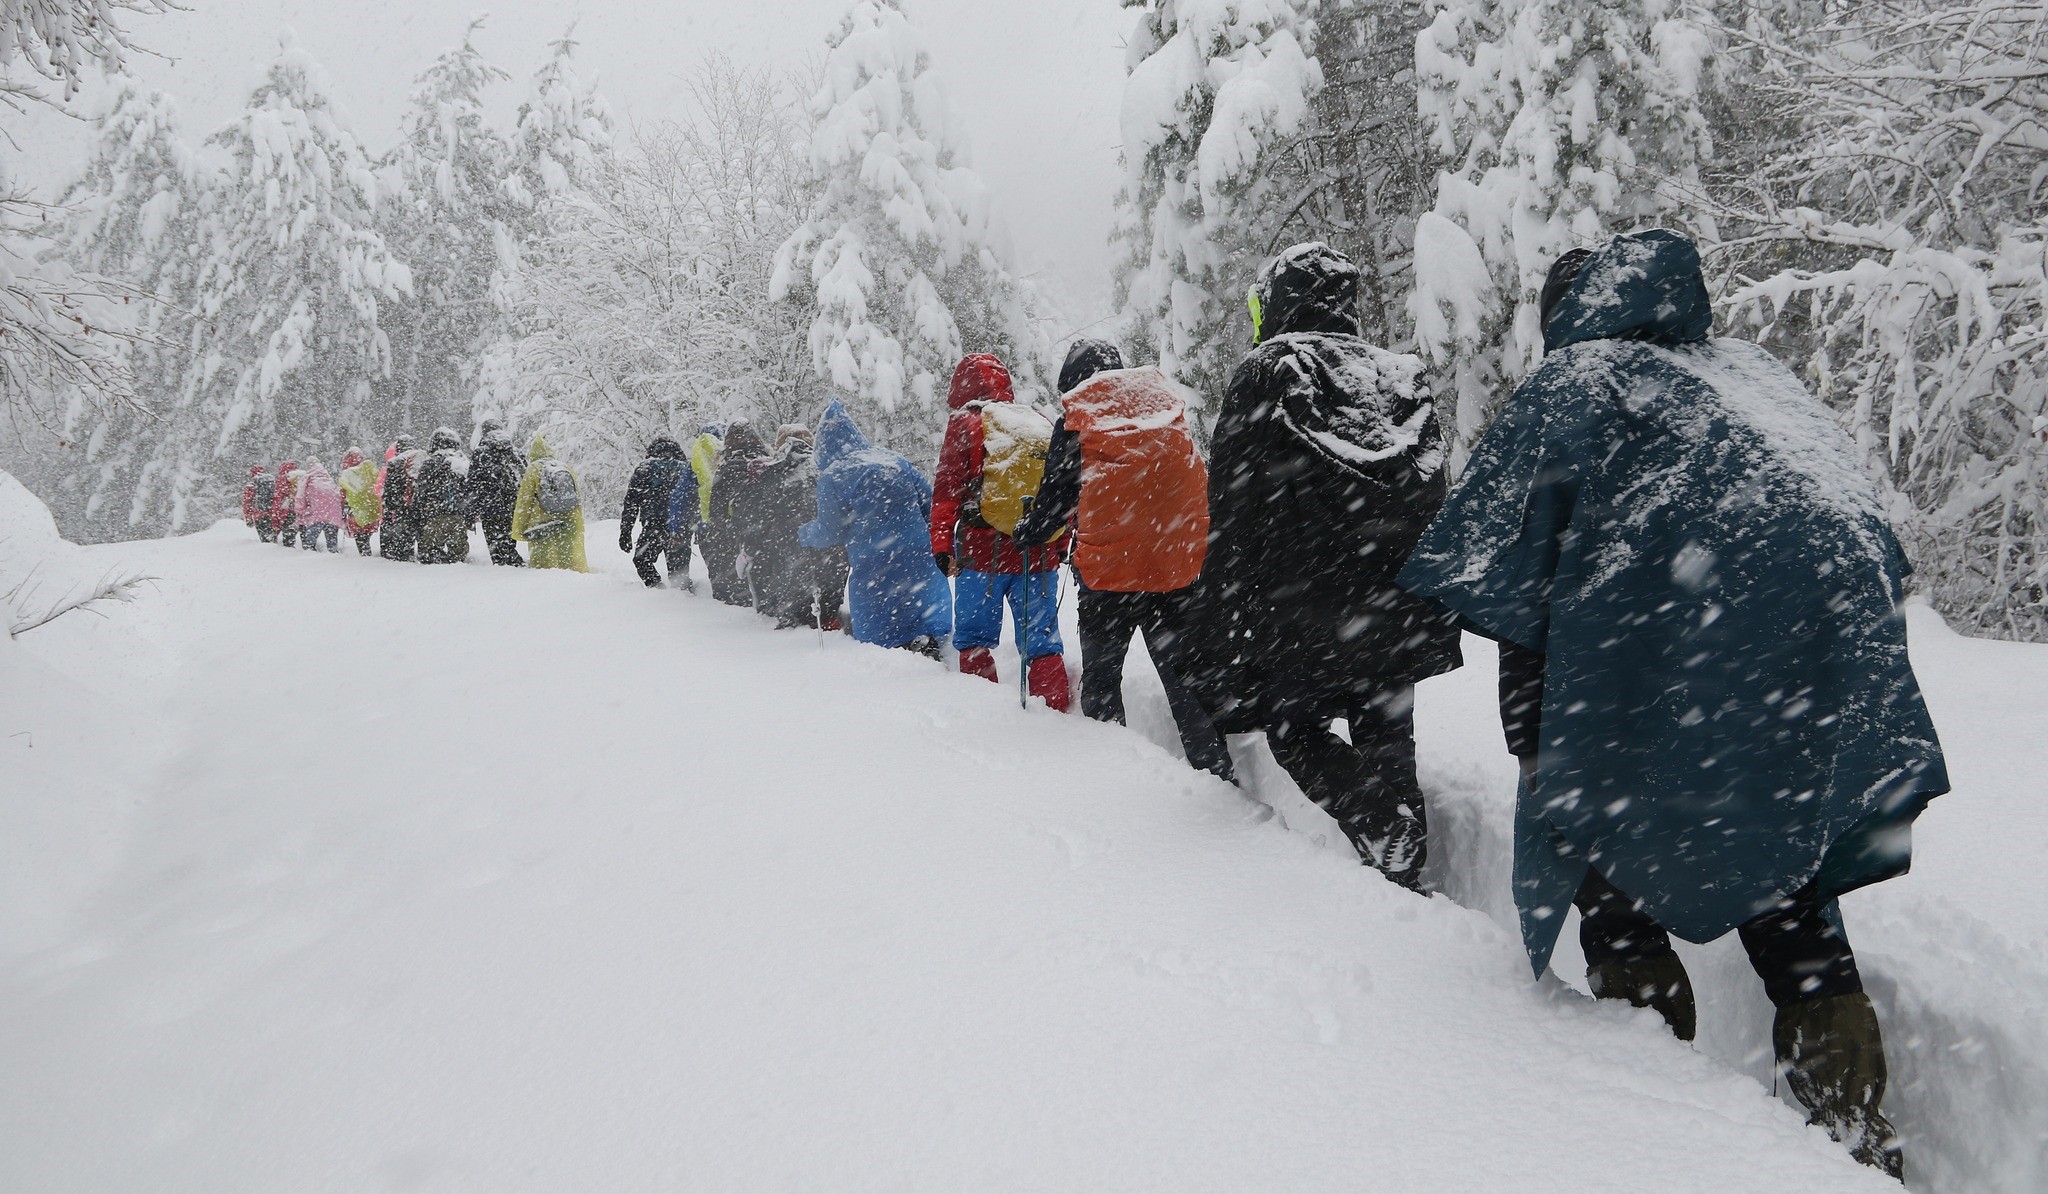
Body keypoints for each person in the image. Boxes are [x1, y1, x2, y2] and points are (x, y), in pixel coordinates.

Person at [1397, 230, 1949, 1179]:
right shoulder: (1756, 380)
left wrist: (1539, 749)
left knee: (1621, 898)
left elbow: (1523, 586)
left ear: (1565, 319)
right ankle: (1857, 1142)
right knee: (1797, 917)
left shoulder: (1575, 388)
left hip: (1642, 703)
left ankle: (1662, 1135)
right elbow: (1858, 535)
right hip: (1793, 697)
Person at [1185, 242, 1462, 892]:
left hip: (1301, 610)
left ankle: (1379, 825)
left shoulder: (1269, 371)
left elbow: (1233, 511)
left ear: (1280, 301)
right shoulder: (1402, 376)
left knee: (1293, 727)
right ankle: (1406, 875)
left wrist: (1220, 626)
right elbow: (1432, 497)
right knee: (1388, 738)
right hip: (1393, 607)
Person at [1015, 340, 1233, 781]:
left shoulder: (1077, 418)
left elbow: (1055, 506)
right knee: (1186, 684)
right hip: (1176, 571)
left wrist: (1028, 532)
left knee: (1102, 679)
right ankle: (1217, 773)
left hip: (1109, 578)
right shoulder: (1167, 409)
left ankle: (1115, 783)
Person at [930, 353, 1072, 710]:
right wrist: (1062, 541)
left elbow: (948, 489)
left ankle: (984, 715)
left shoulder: (964, 423)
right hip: (1036, 552)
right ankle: (1057, 713)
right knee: (1042, 641)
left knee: (975, 639)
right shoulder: (1035, 421)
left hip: (981, 556)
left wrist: (942, 544)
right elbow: (1062, 488)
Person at [800, 401, 952, 657]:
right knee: (921, 611)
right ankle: (927, 642)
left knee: (880, 632)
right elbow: (930, 504)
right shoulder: (894, 460)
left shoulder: (833, 475)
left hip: (874, 560)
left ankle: (892, 662)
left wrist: (804, 534)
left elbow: (830, 530)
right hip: (917, 552)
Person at [732, 425, 848, 630]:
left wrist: (749, 551)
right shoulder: (828, 469)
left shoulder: (775, 473)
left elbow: (760, 522)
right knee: (827, 605)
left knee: (799, 614)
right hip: (833, 558)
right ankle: (829, 623)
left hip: (791, 560)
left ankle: (803, 629)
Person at [705, 420, 771, 605]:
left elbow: (715, 510)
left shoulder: (727, 469)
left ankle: (740, 601)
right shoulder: (767, 463)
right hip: (767, 529)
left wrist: (731, 529)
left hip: (740, 531)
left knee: (740, 577)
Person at [680, 424, 746, 605]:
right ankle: (742, 598)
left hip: (706, 525)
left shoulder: (696, 462)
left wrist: (678, 525)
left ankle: (722, 601)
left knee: (716, 567)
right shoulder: (734, 460)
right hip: (735, 523)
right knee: (737, 563)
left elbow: (682, 495)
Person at [619, 435, 694, 588]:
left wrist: (626, 531)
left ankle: (656, 591)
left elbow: (631, 503)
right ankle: (685, 600)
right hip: (679, 527)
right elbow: (696, 499)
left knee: (642, 560)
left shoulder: (644, 469)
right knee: (679, 572)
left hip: (654, 525)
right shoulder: (686, 468)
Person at [511, 434, 589, 572]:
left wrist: (519, 529)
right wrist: (578, 521)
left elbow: (524, 501)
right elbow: (577, 497)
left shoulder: (533, 469)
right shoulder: (565, 467)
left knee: (544, 560)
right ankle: (575, 576)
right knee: (568, 555)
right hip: (569, 518)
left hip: (543, 523)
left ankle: (549, 582)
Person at [469, 419, 526, 567]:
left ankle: (501, 564)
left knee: (494, 536)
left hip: (489, 503)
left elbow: (473, 481)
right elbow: (524, 473)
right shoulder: (514, 450)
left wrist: (472, 508)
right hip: (512, 502)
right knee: (508, 534)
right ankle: (511, 558)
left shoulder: (481, 452)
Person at [413, 428, 474, 565]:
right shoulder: (462, 465)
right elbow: (470, 492)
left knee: (429, 555)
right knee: (458, 556)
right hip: (457, 516)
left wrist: (419, 513)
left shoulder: (429, 464)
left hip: (433, 516)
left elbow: (421, 492)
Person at [378, 435, 424, 562]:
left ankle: (405, 556)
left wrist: (389, 509)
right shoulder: (421, 459)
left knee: (403, 536)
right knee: (421, 535)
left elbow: (390, 489)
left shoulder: (394, 462)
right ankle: (422, 556)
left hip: (402, 506)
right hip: (420, 505)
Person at [292, 459, 346, 553]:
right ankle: (333, 550)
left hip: (317, 511)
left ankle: (309, 550)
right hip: (333, 512)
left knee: (313, 531)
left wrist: (300, 510)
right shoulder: (329, 479)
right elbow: (337, 495)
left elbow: (301, 496)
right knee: (331, 531)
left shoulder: (308, 479)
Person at [337, 448, 381, 556]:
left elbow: (343, 493)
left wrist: (342, 506)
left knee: (359, 533)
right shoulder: (367, 470)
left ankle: (364, 554)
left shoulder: (347, 474)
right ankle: (366, 551)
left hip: (356, 509)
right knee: (366, 532)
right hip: (370, 507)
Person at [268, 459, 300, 547]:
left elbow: (277, 498)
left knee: (286, 529)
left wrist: (276, 514)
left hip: (285, 509)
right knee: (292, 529)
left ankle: (286, 548)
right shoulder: (299, 477)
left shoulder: (281, 480)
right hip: (298, 508)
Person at [243, 466, 276, 542]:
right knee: (273, 539)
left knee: (265, 539)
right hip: (272, 514)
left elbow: (247, 503)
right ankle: (276, 550)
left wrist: (248, 518)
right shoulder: (272, 483)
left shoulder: (251, 486)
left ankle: (265, 551)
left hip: (259, 515)